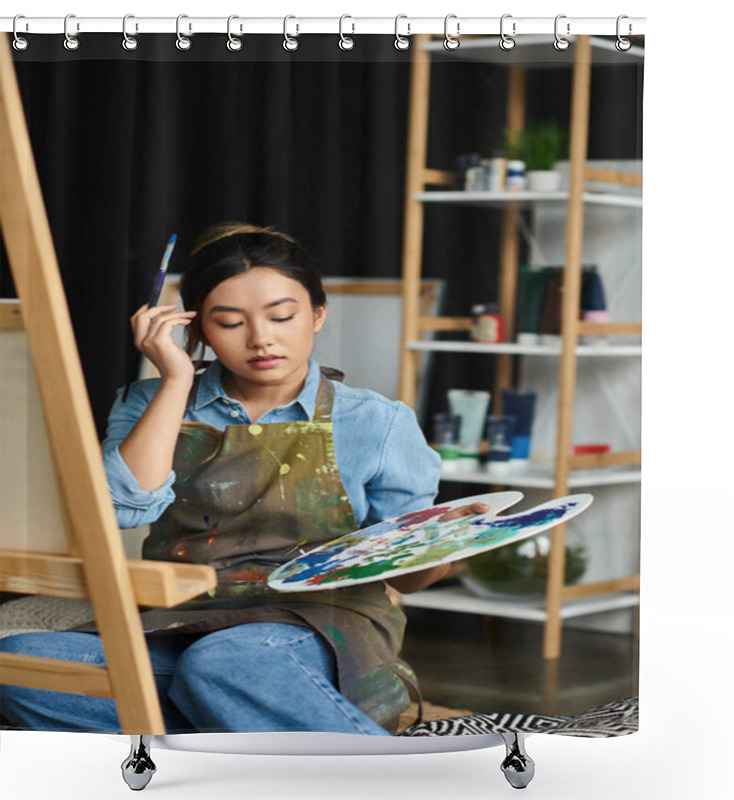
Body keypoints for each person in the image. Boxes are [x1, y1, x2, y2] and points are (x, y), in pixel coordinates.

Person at [0, 222, 485, 736]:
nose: (261, 339)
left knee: (225, 664)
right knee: (22, 663)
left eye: (282, 316)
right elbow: (122, 509)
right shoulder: (147, 404)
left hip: (317, 626)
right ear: (199, 329)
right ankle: (251, 725)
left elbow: (404, 578)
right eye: (229, 323)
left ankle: (384, 779)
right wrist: (176, 380)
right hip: (182, 622)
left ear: (318, 314)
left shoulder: (377, 421)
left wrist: (445, 542)